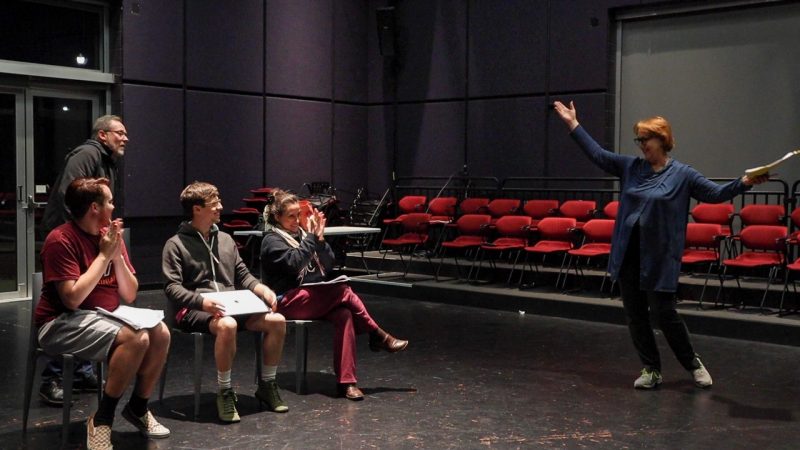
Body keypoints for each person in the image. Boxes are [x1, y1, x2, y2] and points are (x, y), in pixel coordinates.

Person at [552, 101, 769, 389]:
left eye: (646, 139)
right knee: (636, 315)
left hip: (659, 256)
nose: (641, 145)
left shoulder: (682, 174)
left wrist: (744, 182)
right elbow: (598, 155)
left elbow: (715, 194)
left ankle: (692, 363)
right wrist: (572, 123)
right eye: (639, 139)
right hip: (629, 252)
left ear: (662, 139)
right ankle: (651, 369)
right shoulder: (631, 167)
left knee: (664, 313)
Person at [34, 177, 170, 450]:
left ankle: (138, 407)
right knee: (136, 339)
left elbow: (130, 294)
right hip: (60, 322)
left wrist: (116, 254)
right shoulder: (60, 239)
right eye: (109, 201)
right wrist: (103, 256)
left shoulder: (108, 237)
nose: (113, 206)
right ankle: (102, 420)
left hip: (106, 314)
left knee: (160, 333)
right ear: (95, 207)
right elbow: (72, 299)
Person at [260, 189, 408, 401]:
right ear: (277, 217)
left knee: (345, 314)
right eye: (290, 216)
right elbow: (294, 264)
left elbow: (328, 265)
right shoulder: (271, 240)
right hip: (285, 301)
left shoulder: (304, 236)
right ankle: (377, 334)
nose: (296, 220)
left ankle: (347, 383)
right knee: (343, 290)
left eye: (297, 215)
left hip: (313, 297)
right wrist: (311, 239)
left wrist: (319, 241)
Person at [162, 181, 288, 422]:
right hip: (194, 310)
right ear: (197, 209)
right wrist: (201, 302)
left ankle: (268, 384)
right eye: (214, 203)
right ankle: (225, 391)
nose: (220, 207)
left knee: (277, 321)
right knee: (227, 324)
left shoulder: (226, 241)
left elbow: (243, 275)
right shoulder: (175, 244)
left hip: (230, 306)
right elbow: (171, 288)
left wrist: (263, 289)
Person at [39, 115, 129, 406]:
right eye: (119, 133)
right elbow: (71, 193)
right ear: (102, 135)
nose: (125, 138)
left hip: (87, 235)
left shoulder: (106, 159)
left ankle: (84, 370)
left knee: (95, 298)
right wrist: (82, 238)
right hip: (72, 236)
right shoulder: (88, 153)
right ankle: (53, 377)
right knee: (67, 301)